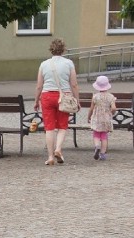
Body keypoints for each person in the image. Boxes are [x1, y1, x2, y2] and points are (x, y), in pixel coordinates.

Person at [33, 38, 79, 166]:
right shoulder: (69, 63)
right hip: (64, 96)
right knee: (62, 126)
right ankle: (58, 149)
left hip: (47, 96)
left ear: (51, 49)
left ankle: (50, 157)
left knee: (49, 128)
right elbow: (74, 84)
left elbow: (39, 85)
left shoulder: (44, 64)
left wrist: (36, 101)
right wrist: (77, 100)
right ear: (63, 49)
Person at [86, 75, 117, 161]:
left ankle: (97, 146)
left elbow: (91, 108)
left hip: (97, 118)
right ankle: (102, 154)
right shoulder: (111, 97)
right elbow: (114, 108)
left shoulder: (95, 96)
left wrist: (89, 117)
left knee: (96, 134)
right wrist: (111, 112)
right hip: (106, 119)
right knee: (104, 136)